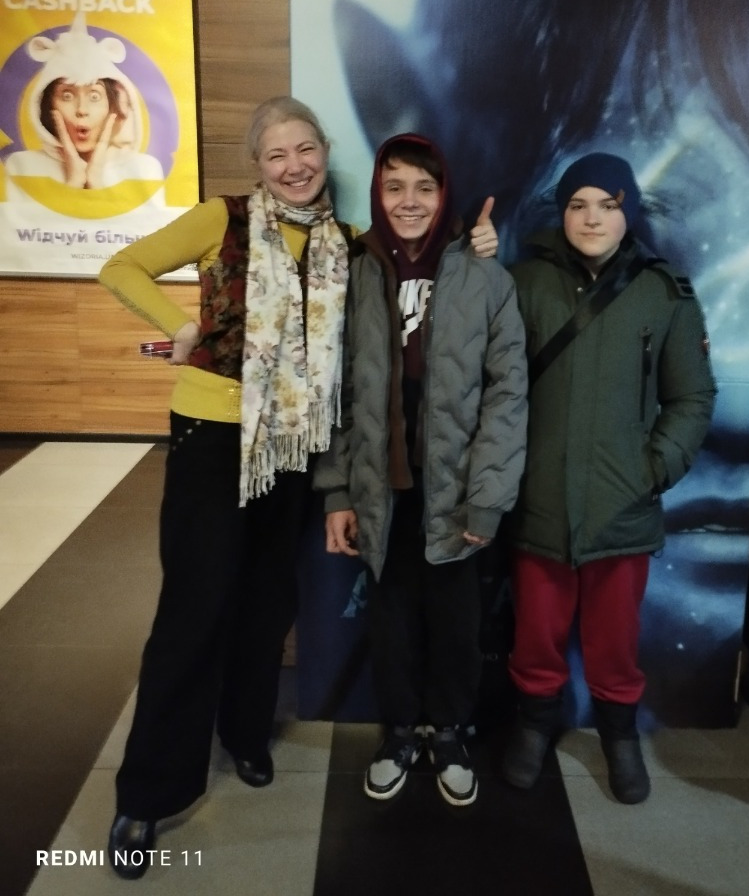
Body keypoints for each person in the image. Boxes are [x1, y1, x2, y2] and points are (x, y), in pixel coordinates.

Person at [98, 99, 499, 879]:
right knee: (192, 611)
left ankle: (244, 736)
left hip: (293, 446)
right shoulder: (221, 220)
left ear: (324, 152)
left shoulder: (345, 243)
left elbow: (414, 255)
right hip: (215, 436)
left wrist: (476, 244)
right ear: (257, 164)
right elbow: (123, 267)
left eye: (305, 148)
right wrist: (179, 326)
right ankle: (149, 790)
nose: (294, 165)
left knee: (264, 603)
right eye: (276, 153)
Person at [315, 133, 527, 807]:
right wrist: (337, 491)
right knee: (392, 621)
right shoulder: (354, 273)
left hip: (457, 490)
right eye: (394, 186)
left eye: (424, 188)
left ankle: (451, 732)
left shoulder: (486, 278)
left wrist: (486, 497)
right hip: (383, 490)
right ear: (377, 195)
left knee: (458, 624)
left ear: (445, 196)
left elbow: (506, 396)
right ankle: (400, 732)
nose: (409, 201)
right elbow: (335, 391)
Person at [501, 152, 715, 804]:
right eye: (577, 204)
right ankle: (533, 725)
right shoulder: (522, 283)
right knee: (534, 633)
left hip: (623, 506)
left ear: (629, 212)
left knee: (615, 639)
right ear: (561, 213)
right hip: (538, 501)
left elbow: (691, 397)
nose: (591, 218)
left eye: (607, 204)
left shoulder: (664, 292)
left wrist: (651, 471)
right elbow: (492, 386)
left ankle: (619, 735)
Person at [5, 11, 163, 189]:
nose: (81, 110)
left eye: (94, 96)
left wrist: (95, 180)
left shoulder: (144, 169)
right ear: (47, 105)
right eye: (67, 96)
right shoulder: (23, 166)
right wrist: (74, 181)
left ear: (113, 106)